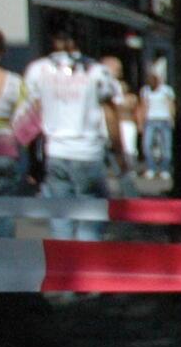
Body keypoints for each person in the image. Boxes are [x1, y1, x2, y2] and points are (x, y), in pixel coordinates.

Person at [24, 25, 131, 240]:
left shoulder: (38, 70)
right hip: (88, 152)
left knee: (60, 217)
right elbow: (110, 115)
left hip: (54, 151)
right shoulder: (96, 71)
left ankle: (63, 267)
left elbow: (32, 114)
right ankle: (87, 265)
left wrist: (31, 161)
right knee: (90, 219)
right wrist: (120, 153)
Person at [0, 27, 36, 236]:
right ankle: (6, 263)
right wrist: (20, 146)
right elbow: (30, 120)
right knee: (4, 214)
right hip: (3, 154)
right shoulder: (14, 82)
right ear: (1, 52)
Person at [138, 60, 175, 182]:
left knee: (166, 146)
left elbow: (170, 105)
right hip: (150, 120)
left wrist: (172, 117)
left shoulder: (166, 90)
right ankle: (151, 168)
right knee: (147, 145)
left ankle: (164, 169)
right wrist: (141, 121)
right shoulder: (146, 90)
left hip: (164, 120)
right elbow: (144, 106)